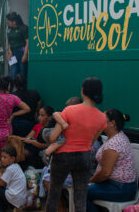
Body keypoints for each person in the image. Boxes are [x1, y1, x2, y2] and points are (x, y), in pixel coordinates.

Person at [46, 77, 107, 212]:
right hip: (84, 156)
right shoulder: (102, 117)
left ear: (83, 91)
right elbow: (91, 142)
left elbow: (52, 138)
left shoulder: (69, 110)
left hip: (63, 156)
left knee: (54, 193)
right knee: (80, 196)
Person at [87, 109, 136, 212]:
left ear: (112, 123)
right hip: (112, 183)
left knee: (81, 191)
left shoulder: (114, 143)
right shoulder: (113, 136)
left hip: (121, 188)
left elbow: (105, 173)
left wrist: (90, 181)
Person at [0, 76, 30, 164]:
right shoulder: (13, 98)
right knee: (3, 161)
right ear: (8, 86)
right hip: (6, 134)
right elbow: (27, 108)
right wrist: (13, 115)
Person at [0, 145, 27, 211]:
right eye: (1, 157)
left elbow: (1, 184)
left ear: (12, 159)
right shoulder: (16, 166)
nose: (2, 159)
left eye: (5, 157)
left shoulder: (10, 169)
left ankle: (2, 210)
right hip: (21, 198)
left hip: (15, 197)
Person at [6, 12, 29, 77]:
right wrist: (10, 53)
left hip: (22, 52)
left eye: (8, 21)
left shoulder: (23, 28)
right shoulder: (9, 30)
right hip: (13, 54)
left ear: (14, 21)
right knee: (13, 73)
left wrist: (25, 55)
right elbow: (10, 42)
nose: (7, 22)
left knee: (22, 73)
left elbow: (28, 42)